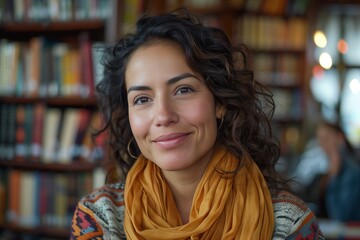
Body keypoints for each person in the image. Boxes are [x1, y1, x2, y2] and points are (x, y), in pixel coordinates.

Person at [70, 9, 324, 239]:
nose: (163, 115)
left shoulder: (288, 224)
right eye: (142, 99)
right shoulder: (101, 219)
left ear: (220, 102)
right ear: (128, 115)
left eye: (183, 90)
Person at [315, 121, 360, 221]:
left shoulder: (352, 172)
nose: (322, 144)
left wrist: (334, 177)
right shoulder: (326, 168)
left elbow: (340, 215)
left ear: (340, 138)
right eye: (320, 139)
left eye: (326, 138)